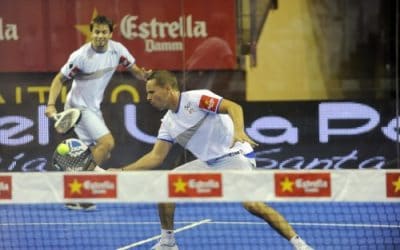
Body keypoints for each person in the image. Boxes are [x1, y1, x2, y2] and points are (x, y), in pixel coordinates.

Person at [109, 70, 313, 250]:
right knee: (165, 187)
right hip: (208, 163)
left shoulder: (198, 99)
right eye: (147, 93)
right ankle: (168, 243)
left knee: (252, 205)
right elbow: (156, 157)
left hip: (235, 155)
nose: (148, 97)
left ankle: (300, 245)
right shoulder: (168, 123)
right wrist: (122, 171)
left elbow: (233, 107)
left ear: (168, 88)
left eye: (152, 92)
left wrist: (239, 131)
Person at [46, 15, 150, 211]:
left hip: (93, 108)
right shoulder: (80, 56)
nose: (100, 35)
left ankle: (75, 193)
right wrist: (51, 104)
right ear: (91, 33)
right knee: (107, 142)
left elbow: (134, 69)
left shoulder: (117, 50)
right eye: (96, 32)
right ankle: (80, 189)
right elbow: (59, 80)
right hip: (77, 107)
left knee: (103, 152)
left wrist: (143, 76)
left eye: (104, 32)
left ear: (110, 33)